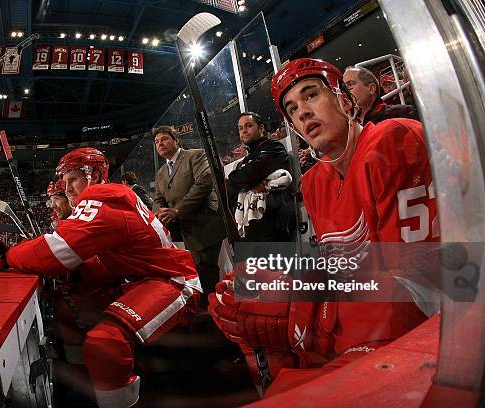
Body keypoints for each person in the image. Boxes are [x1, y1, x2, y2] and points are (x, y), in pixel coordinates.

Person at [209, 58, 436, 397]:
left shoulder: (394, 139)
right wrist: (287, 281)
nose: (302, 112)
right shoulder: (315, 181)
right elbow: (340, 266)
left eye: (311, 95)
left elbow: (423, 287)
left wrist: (305, 304)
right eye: (292, 108)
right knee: (246, 303)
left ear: (344, 99)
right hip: (360, 322)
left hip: (419, 334)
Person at [0, 147, 201, 408]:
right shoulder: (112, 196)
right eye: (64, 182)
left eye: (72, 179)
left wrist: (7, 257)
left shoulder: (104, 197)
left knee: (105, 343)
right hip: (147, 280)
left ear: (93, 175)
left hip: (174, 281)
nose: (67, 189)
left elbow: (56, 251)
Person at [153, 126, 227, 296]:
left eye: (164, 139)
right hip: (182, 230)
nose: (160, 144)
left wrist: (177, 210)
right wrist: (159, 213)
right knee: (193, 273)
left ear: (176, 140)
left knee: (206, 271)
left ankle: (211, 310)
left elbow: (204, 183)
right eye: (157, 142)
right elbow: (158, 198)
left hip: (204, 225)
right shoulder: (161, 172)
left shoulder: (196, 155)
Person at [226, 112, 296, 242]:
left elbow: (249, 175)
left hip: (274, 224)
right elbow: (231, 188)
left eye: (249, 126)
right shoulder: (244, 161)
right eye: (240, 128)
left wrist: (236, 179)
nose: (244, 131)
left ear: (261, 128)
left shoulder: (274, 147)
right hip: (251, 226)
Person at [343, 66, 418, 125]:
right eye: (343, 89)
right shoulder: (351, 128)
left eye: (350, 85)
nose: (345, 93)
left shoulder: (403, 114)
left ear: (371, 88)